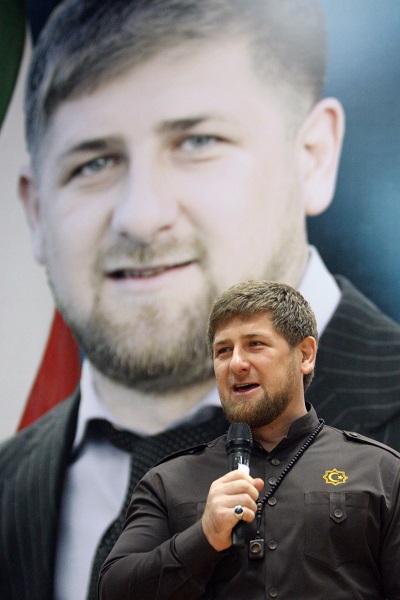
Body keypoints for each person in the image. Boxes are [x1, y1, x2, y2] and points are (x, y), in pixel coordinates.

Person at [1, 0, 400, 599]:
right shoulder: (9, 484)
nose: (140, 216)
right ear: (35, 210)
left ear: (313, 154)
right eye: (94, 162)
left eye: (197, 140)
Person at [99, 280, 400, 599]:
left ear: (305, 355)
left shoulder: (380, 471)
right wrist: (203, 537)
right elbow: (113, 591)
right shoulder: (168, 481)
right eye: (223, 351)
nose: (236, 364)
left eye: (255, 344)